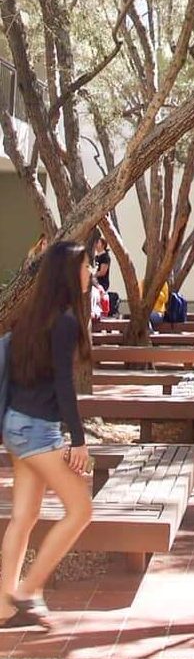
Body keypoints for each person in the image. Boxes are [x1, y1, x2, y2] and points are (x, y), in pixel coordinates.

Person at [1, 241, 93, 628]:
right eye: (88, 265)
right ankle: (26, 592)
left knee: (24, 515)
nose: (92, 271)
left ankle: (4, 608)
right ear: (71, 273)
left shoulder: (35, 315)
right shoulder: (66, 321)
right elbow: (63, 386)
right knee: (81, 510)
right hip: (36, 431)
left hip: (16, 424)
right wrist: (79, 440)